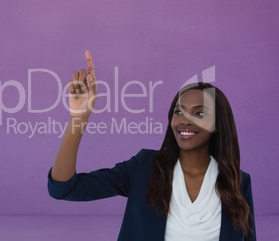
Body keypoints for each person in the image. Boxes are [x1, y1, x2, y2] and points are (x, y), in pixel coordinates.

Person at [47, 50, 256, 241]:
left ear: (217, 125)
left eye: (199, 113)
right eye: (178, 111)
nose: (185, 120)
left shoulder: (237, 181)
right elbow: (64, 189)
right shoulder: (144, 167)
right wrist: (79, 118)